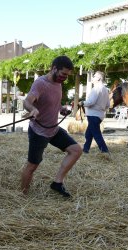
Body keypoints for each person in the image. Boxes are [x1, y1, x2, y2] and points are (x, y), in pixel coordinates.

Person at [21, 55, 82, 197]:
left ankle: (57, 183)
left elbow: (52, 102)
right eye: (63, 74)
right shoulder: (40, 83)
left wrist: (61, 109)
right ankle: (22, 196)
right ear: (54, 68)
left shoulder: (58, 83)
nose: (65, 78)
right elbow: (27, 101)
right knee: (32, 166)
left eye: (67, 75)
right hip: (39, 131)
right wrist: (32, 109)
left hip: (53, 129)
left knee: (76, 150)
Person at [79, 71, 110, 153]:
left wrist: (82, 103)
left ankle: (105, 151)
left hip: (93, 115)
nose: (92, 78)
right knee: (88, 134)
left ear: (99, 78)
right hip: (99, 115)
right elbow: (108, 105)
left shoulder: (96, 88)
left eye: (94, 76)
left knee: (96, 134)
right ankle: (85, 149)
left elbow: (90, 102)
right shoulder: (105, 89)